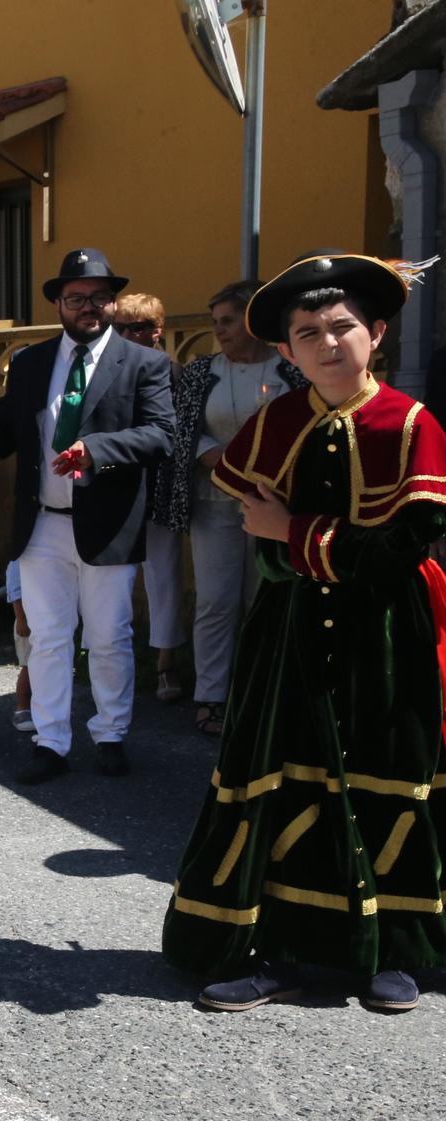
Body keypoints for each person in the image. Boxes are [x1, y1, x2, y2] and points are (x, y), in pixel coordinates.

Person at [161, 253, 446, 1015]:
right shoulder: (275, 423)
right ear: (286, 351)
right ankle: (285, 950)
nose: (327, 343)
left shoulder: (411, 425)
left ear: (377, 333)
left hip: (386, 638)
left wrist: (296, 533)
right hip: (287, 633)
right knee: (289, 782)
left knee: (386, 780)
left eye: (343, 327)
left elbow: (398, 556)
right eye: (308, 332)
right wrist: (295, 545)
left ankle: (393, 952)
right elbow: (264, 550)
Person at [0, 248, 174, 782]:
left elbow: (161, 433)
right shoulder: (29, 363)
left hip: (108, 523)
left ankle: (111, 733)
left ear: (111, 302)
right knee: (47, 636)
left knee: (110, 635)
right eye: (76, 298)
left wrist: (99, 449)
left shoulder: (145, 363)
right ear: (58, 304)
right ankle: (51, 741)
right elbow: (3, 428)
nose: (88, 307)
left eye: (98, 297)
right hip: (41, 522)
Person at [156, 280, 307, 737]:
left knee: (264, 600)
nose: (219, 330)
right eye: (215, 321)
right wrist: (212, 454)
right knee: (216, 602)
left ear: (253, 320)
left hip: (277, 504)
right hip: (216, 499)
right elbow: (180, 428)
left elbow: (310, 425)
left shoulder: (293, 370)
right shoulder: (204, 373)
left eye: (228, 321)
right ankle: (212, 698)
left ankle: (263, 695)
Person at [106, 290, 189, 705]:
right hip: (116, 485)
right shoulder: (109, 370)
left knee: (163, 576)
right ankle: (109, 658)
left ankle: (165, 665)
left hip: (160, 486)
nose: (124, 335)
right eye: (118, 327)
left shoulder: (175, 374)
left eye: (134, 328)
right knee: (112, 577)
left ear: (156, 332)